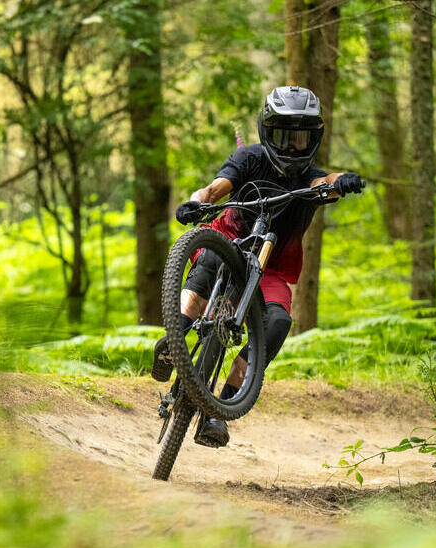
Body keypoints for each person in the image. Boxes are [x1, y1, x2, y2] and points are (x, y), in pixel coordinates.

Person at [150, 86, 364, 448]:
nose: (292, 146)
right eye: (284, 135)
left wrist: (341, 182)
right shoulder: (249, 158)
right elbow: (215, 189)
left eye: (300, 137)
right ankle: (175, 337)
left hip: (273, 271)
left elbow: (325, 184)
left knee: (278, 323)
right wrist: (195, 202)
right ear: (267, 131)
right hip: (227, 243)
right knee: (209, 264)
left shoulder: (309, 177)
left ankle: (223, 405)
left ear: (314, 138)